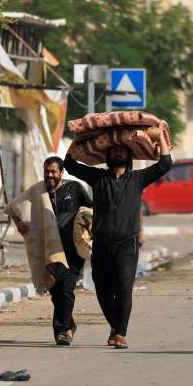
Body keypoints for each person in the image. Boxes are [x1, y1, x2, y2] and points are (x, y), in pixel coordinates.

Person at [64, 131, 171, 349]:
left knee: (123, 288)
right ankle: (115, 325)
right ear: (108, 156)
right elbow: (70, 164)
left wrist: (159, 135)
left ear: (128, 155)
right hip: (101, 244)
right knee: (102, 289)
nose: (117, 151)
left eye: (121, 149)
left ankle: (120, 333)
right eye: (113, 149)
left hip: (126, 244)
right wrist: (78, 139)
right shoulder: (98, 178)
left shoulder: (138, 178)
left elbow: (165, 163)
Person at [11, 156, 92, 346]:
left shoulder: (75, 189)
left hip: (72, 250)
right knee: (56, 292)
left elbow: (90, 211)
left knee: (66, 288)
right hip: (49, 250)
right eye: (47, 171)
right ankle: (69, 324)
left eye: (53, 172)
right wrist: (19, 223)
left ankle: (61, 331)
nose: (49, 175)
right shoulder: (37, 191)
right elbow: (15, 208)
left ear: (61, 172)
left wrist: (88, 230)